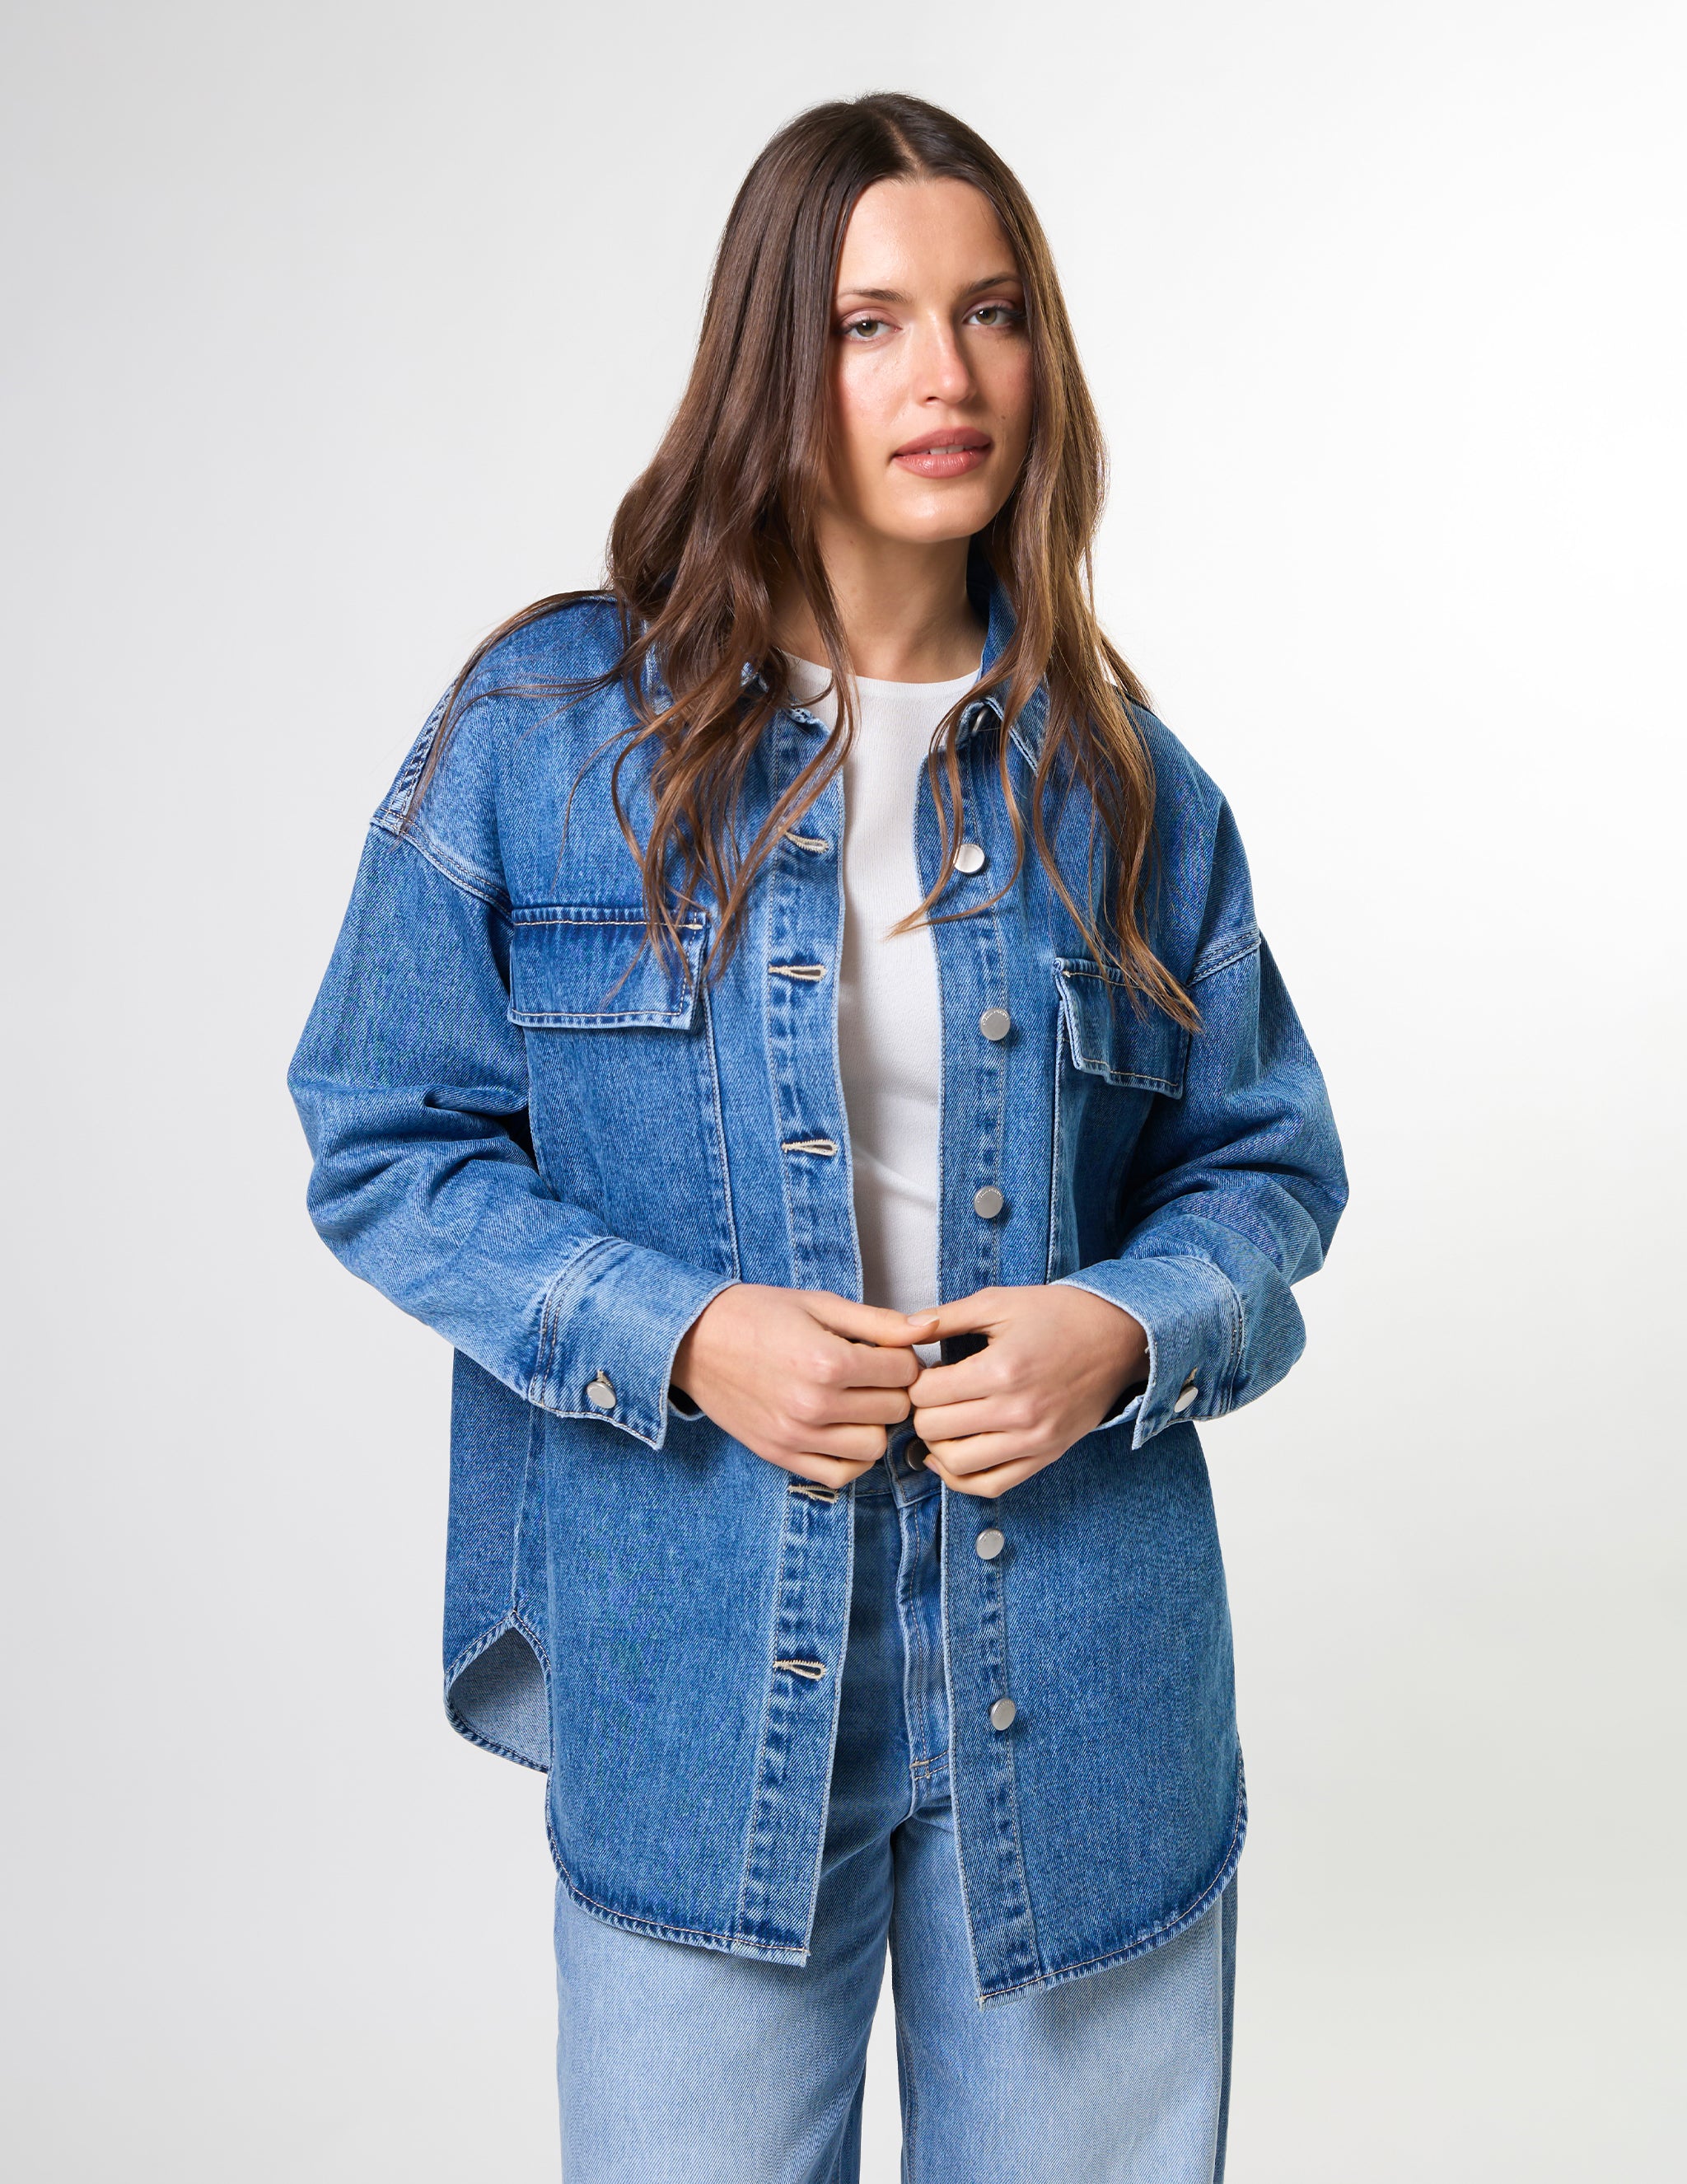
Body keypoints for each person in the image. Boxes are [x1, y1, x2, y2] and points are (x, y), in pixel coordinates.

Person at [290, 91, 1346, 2184]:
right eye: (871, 324)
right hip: (698, 1664)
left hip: (1082, 1667)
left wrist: (1117, 1332)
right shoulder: (544, 735)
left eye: (991, 313)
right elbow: (382, 1137)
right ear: (772, 355)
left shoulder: (1128, 787)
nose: (947, 376)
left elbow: (1265, 1167)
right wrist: (685, 1336)